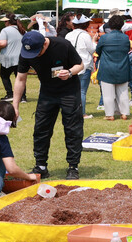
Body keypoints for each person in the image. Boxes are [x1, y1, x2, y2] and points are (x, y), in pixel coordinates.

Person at [12, 29, 85, 180]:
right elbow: (20, 79)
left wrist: (70, 72)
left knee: (72, 129)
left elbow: (80, 65)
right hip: (47, 92)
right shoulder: (27, 52)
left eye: (38, 52)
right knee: (41, 128)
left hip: (69, 91)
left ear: (45, 43)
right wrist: (15, 105)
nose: (35, 56)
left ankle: (73, 166)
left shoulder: (63, 45)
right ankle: (41, 166)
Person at [95, 15, 132, 122]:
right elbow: (127, 50)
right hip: (123, 67)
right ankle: (124, 114)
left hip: (107, 67)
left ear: (110, 25)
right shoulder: (125, 38)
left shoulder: (104, 37)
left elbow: (98, 51)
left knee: (108, 94)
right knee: (123, 92)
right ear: (122, 25)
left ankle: (110, 115)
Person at [66, 15, 96, 119]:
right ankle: (82, 113)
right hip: (84, 65)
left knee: (72, 91)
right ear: (86, 25)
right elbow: (92, 49)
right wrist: (94, 41)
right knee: (82, 91)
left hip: (71, 66)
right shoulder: (85, 35)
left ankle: (71, 112)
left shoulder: (68, 35)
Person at [0, 13, 26, 102]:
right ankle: (23, 96)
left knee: (4, 76)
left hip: (8, 58)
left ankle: (10, 94)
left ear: (8, 22)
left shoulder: (5, 30)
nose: (4, 23)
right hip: (21, 57)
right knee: (20, 77)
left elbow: (2, 43)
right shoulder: (22, 30)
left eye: (5, 21)